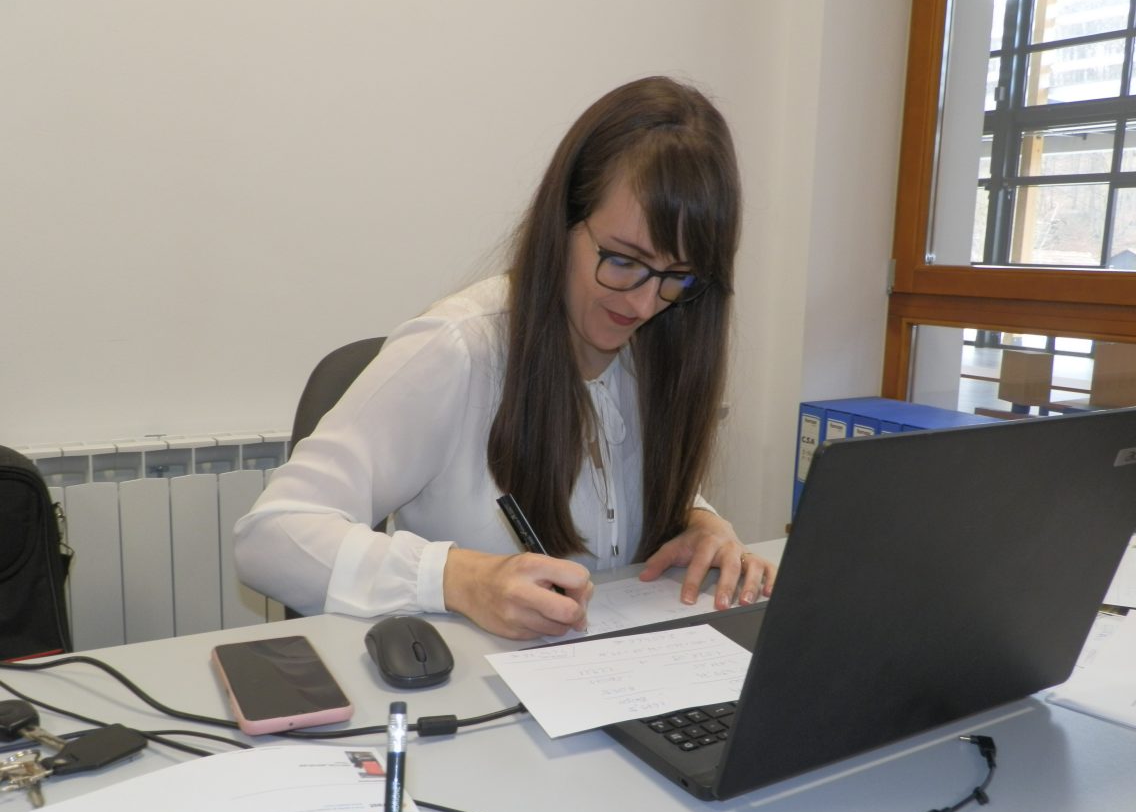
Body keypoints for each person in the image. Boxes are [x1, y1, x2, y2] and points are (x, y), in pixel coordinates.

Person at [233, 76, 776, 640]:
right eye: (622, 260)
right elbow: (268, 537)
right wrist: (459, 578)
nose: (643, 304)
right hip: (476, 686)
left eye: (677, 275)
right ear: (562, 221)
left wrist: (697, 521)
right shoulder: (457, 349)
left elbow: (610, 502)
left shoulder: (660, 342)